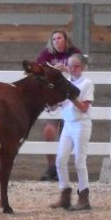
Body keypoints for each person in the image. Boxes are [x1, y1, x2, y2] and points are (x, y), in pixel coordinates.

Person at [50, 53, 95, 211]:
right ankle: (64, 194)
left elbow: (84, 107)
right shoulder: (67, 82)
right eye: (69, 65)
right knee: (60, 159)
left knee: (79, 161)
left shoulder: (87, 83)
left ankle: (84, 197)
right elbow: (58, 104)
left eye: (75, 65)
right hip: (68, 124)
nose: (71, 68)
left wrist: (70, 95)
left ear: (82, 67)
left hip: (81, 124)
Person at [36, 29, 82, 181]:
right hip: (54, 98)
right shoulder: (47, 54)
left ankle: (60, 167)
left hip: (69, 97)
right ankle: (50, 166)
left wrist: (67, 69)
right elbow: (38, 68)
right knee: (49, 131)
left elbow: (82, 68)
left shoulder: (74, 52)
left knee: (66, 134)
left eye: (59, 38)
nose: (56, 41)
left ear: (66, 40)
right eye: (54, 38)